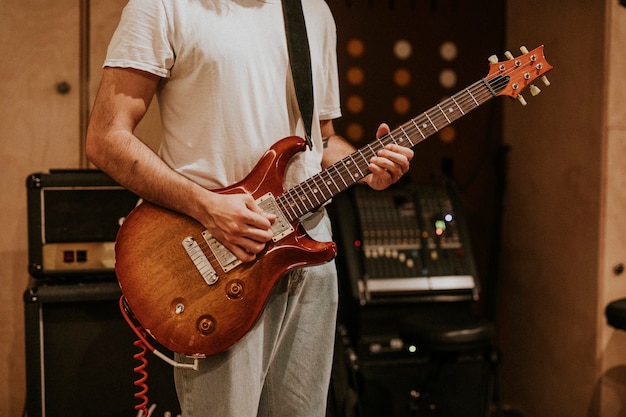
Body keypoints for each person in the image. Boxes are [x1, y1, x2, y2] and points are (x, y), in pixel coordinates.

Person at [85, 0, 413, 415]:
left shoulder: (312, 11)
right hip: (220, 256)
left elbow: (320, 139)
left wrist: (368, 167)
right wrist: (208, 209)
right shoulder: (163, 6)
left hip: (308, 254)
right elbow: (106, 137)